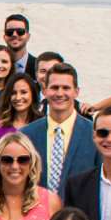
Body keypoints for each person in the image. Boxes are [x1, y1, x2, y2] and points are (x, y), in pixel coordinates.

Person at [25, 63, 96, 197]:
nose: (59, 93)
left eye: (66, 88)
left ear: (76, 92)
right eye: (54, 87)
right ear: (45, 91)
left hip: (79, 216)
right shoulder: (27, 135)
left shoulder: (94, 134)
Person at [0, 73, 41, 138]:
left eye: (23, 92)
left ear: (33, 94)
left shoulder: (43, 124)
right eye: (13, 93)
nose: (18, 98)